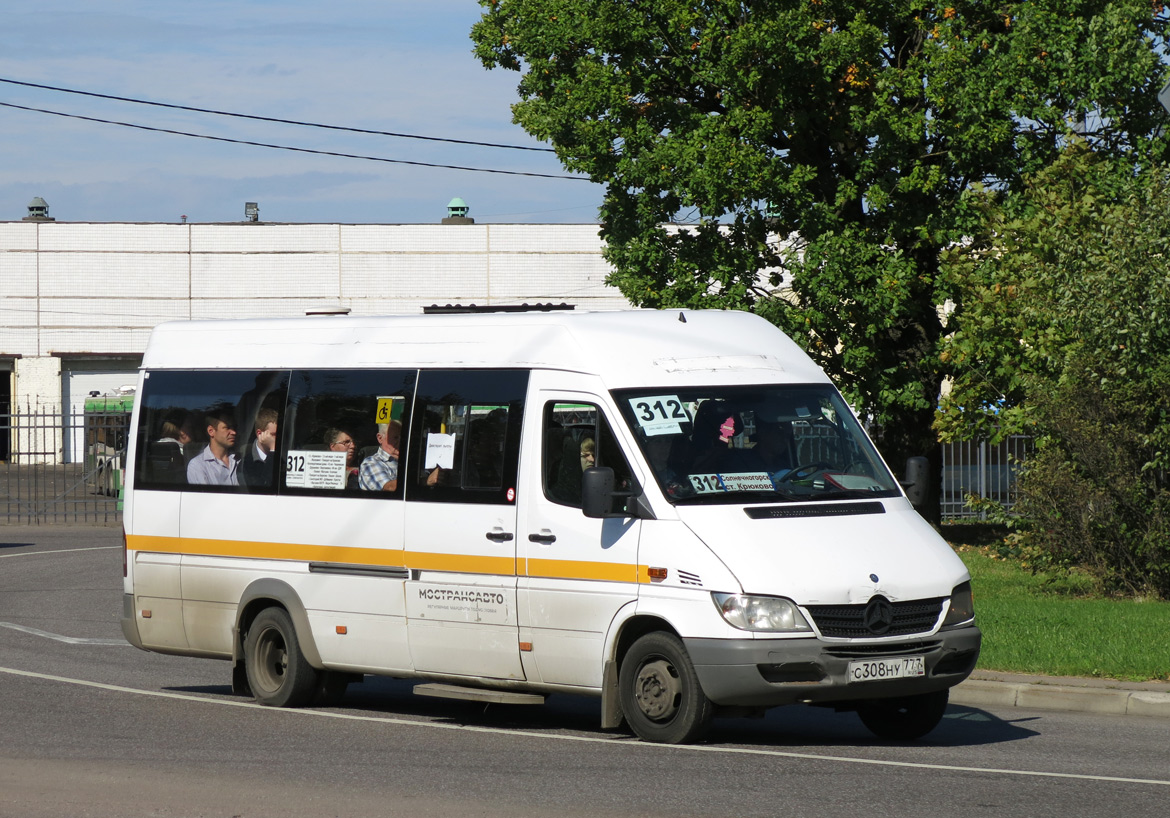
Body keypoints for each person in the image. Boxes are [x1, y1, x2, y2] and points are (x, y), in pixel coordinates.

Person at [186, 406, 239, 486]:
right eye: (227, 428)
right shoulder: (197, 466)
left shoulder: (240, 460)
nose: (233, 432)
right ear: (211, 431)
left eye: (233, 428)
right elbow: (203, 497)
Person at [240, 408, 278, 488]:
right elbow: (266, 486)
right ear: (259, 433)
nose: (277, 439)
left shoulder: (283, 456)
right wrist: (273, 449)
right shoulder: (247, 463)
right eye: (273, 434)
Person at [358, 419, 401, 492]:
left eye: (403, 437)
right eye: (396, 437)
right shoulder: (370, 463)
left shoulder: (407, 460)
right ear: (380, 438)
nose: (401, 441)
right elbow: (388, 488)